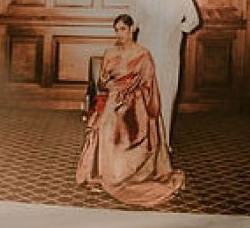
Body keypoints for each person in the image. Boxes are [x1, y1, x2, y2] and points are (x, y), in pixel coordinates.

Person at [76, 15, 185, 208]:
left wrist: (131, 95)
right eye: (116, 30)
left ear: (132, 29)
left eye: (123, 29)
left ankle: (128, 173)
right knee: (104, 126)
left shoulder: (143, 54)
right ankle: (103, 173)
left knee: (128, 128)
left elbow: (149, 85)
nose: (119, 34)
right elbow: (102, 83)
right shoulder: (109, 52)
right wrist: (110, 83)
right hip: (113, 99)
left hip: (136, 102)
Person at [130, 0, 200, 144]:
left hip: (169, 58)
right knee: (144, 99)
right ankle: (144, 143)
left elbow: (193, 20)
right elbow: (132, 24)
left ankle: (164, 143)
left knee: (167, 98)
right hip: (146, 57)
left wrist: (177, 29)